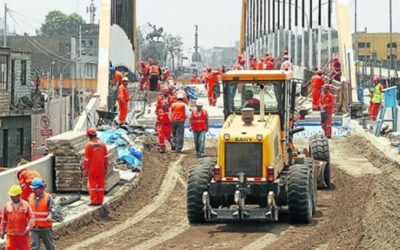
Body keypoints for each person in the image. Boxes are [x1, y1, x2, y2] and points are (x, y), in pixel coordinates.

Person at [1, 185, 34, 250]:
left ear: (19, 195)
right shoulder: (7, 205)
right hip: (11, 235)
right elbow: (4, 219)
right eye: (11, 196)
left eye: (13, 196)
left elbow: (31, 218)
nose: (11, 198)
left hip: (23, 234)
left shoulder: (25, 205)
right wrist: (2, 230)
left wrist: (29, 227)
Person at [83, 128, 109, 205]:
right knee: (100, 185)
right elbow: (106, 157)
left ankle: (94, 201)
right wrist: (106, 167)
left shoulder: (88, 146)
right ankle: (100, 201)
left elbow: (86, 159)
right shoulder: (103, 144)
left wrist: (85, 168)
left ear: (89, 136)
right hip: (101, 168)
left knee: (93, 185)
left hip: (92, 169)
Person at [29, 178, 55, 250]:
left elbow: (53, 209)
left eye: (35, 189)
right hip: (34, 227)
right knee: (34, 247)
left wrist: (50, 215)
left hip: (45, 227)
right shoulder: (30, 197)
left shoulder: (48, 197)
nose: (33, 191)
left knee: (49, 245)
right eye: (33, 189)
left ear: (41, 188)